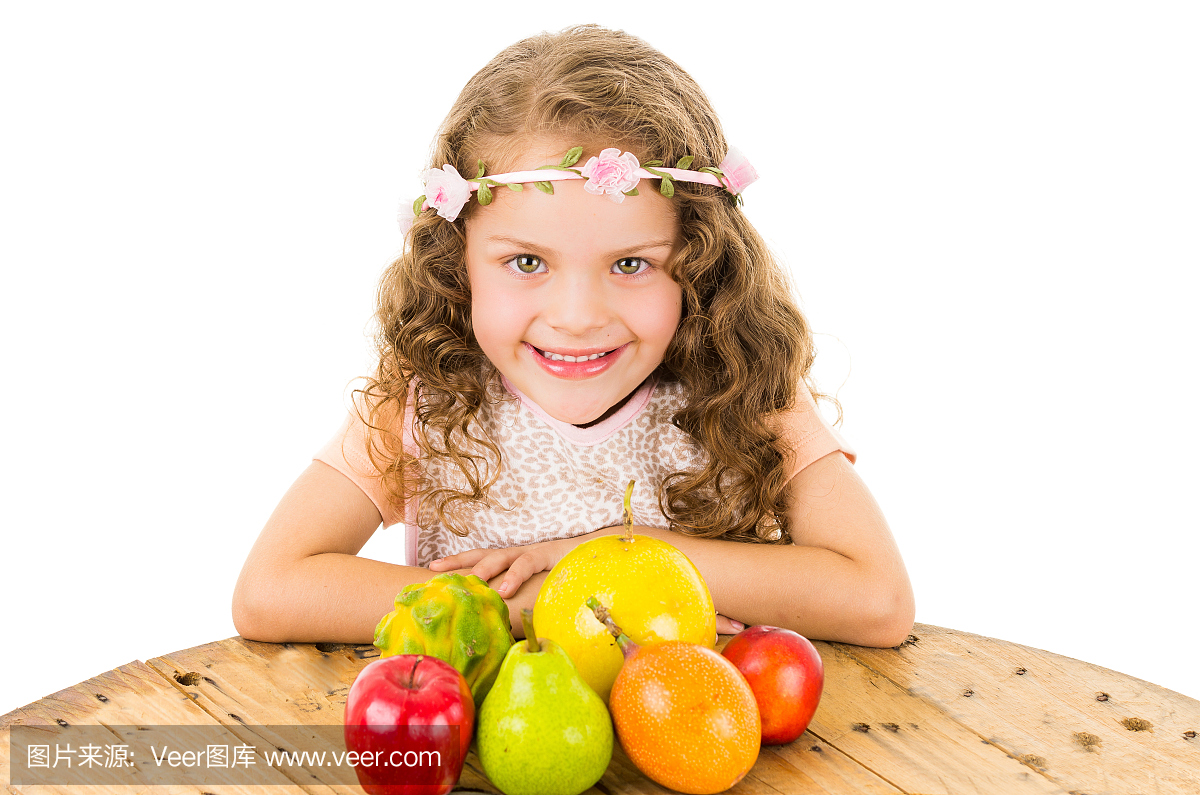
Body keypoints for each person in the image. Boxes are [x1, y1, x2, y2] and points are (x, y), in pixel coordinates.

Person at [232, 25, 915, 648]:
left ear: (699, 258)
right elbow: (270, 592)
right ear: (457, 260)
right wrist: (539, 604)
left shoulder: (743, 390)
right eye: (526, 262)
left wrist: (625, 550)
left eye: (631, 263)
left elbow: (877, 600)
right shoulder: (425, 402)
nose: (579, 314)